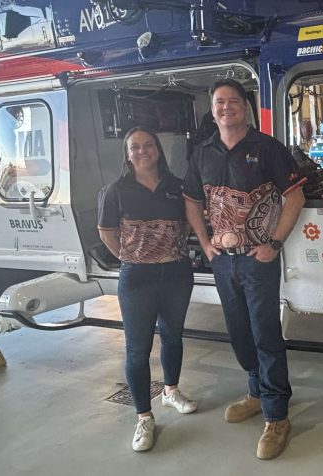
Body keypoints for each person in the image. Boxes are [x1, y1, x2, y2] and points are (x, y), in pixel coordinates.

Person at [183, 79, 305, 461]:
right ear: (212, 109)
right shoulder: (203, 153)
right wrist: (205, 243)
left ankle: (277, 415)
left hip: (257, 260)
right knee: (239, 333)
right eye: (219, 102)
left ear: (245, 107)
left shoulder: (267, 148)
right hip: (223, 261)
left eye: (233, 101)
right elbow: (191, 200)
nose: (226, 107)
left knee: (265, 333)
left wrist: (275, 244)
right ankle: (256, 392)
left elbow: (295, 197)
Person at [98, 126, 197, 452]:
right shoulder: (115, 191)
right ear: (127, 154)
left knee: (172, 336)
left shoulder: (176, 187)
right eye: (135, 147)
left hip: (177, 274)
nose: (143, 151)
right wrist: (132, 257)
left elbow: (191, 219)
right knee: (137, 350)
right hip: (136, 279)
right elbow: (106, 232)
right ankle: (144, 416)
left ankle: (171, 391)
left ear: (158, 150)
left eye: (149, 145)